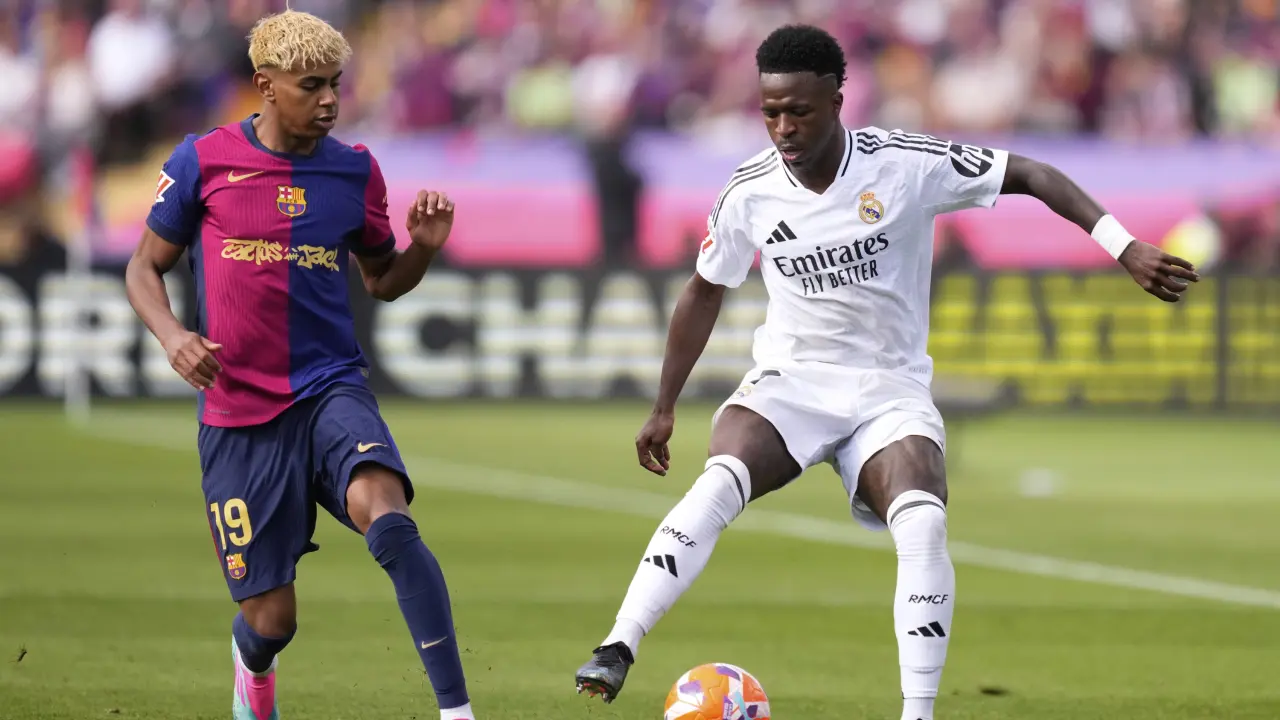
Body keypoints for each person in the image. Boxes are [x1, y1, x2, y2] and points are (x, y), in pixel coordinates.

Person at [574, 24, 1199, 720]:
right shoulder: (749, 190)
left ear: (837, 102)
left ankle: (917, 714)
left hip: (889, 390)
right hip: (793, 381)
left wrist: (1123, 246)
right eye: (771, 112)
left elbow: (1031, 173)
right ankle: (618, 644)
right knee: (720, 478)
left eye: (799, 111)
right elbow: (703, 291)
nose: (783, 128)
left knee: (924, 522)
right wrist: (664, 406)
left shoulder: (904, 163)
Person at [124, 11, 476, 720]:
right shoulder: (203, 161)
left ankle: (456, 712)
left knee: (389, 515)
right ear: (265, 85)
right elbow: (142, 267)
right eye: (311, 85)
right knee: (272, 621)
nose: (329, 100)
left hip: (328, 388)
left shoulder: (354, 170)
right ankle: (251, 666)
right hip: (238, 414)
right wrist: (172, 336)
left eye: (335, 84)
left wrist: (423, 248)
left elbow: (381, 280)